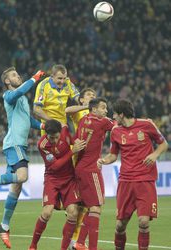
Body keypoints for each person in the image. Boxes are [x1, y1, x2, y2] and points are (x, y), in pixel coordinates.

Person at [0, 67, 45, 248]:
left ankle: (4, 226)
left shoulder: (22, 98)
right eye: (13, 75)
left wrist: (45, 126)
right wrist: (34, 79)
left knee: (17, 187)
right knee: (23, 177)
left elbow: (29, 121)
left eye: (17, 74)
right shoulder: (8, 95)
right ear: (7, 81)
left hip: (19, 145)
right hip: (14, 144)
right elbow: (20, 90)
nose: (17, 76)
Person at [97, 99, 168, 250]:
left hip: (145, 180)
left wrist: (154, 155)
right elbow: (113, 155)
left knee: (143, 222)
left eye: (115, 114)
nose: (113, 117)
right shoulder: (115, 131)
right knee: (120, 225)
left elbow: (163, 144)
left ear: (122, 114)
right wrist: (103, 160)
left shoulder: (147, 125)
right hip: (126, 182)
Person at [28, 119, 86, 250]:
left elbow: (72, 141)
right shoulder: (42, 145)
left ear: (61, 133)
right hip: (52, 179)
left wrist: (75, 142)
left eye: (55, 137)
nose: (53, 140)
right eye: (50, 138)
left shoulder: (65, 131)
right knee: (47, 212)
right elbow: (54, 166)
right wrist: (72, 151)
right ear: (46, 134)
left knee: (73, 212)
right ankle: (33, 245)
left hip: (69, 179)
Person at [74, 98, 114, 250]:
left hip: (80, 168)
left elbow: (77, 139)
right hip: (91, 169)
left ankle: (79, 243)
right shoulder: (102, 122)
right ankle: (93, 248)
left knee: (90, 208)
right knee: (96, 208)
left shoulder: (83, 120)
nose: (106, 111)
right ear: (94, 110)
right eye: (103, 108)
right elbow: (121, 125)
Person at [65, 88, 97, 249]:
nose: (93, 97)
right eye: (90, 95)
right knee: (77, 203)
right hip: (77, 158)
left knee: (85, 205)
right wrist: (86, 106)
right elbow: (67, 110)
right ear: (82, 99)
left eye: (94, 96)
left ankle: (76, 241)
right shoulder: (80, 112)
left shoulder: (97, 115)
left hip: (91, 160)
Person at [33, 64, 79, 130]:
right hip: (49, 124)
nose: (62, 81)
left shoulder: (68, 82)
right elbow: (36, 109)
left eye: (64, 78)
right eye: (60, 78)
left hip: (63, 124)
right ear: (52, 76)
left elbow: (78, 98)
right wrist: (55, 122)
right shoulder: (43, 85)